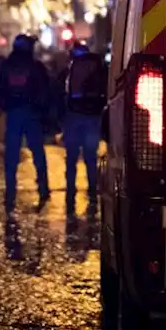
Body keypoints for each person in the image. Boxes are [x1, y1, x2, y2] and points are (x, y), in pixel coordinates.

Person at [0, 34, 51, 214]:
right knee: (38, 153)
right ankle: (43, 188)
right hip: (31, 114)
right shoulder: (35, 66)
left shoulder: (6, 66)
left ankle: (10, 193)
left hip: (13, 114)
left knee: (11, 155)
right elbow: (45, 89)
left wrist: (4, 105)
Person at [57, 42, 107, 216]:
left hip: (73, 117)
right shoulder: (98, 69)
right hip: (92, 117)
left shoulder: (70, 69)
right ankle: (92, 191)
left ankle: (71, 191)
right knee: (90, 157)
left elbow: (60, 94)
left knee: (71, 158)